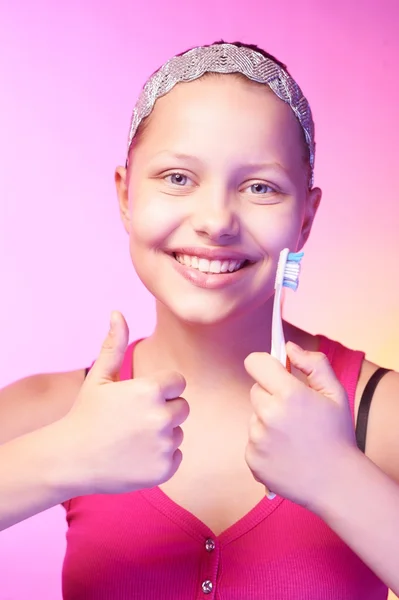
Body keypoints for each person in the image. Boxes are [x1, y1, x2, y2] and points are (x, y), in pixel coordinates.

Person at [1, 40, 398, 599]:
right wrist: (61, 457)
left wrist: (340, 477)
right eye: (178, 178)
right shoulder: (50, 411)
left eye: (260, 187)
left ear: (306, 219)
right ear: (125, 196)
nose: (215, 221)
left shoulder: (380, 415)